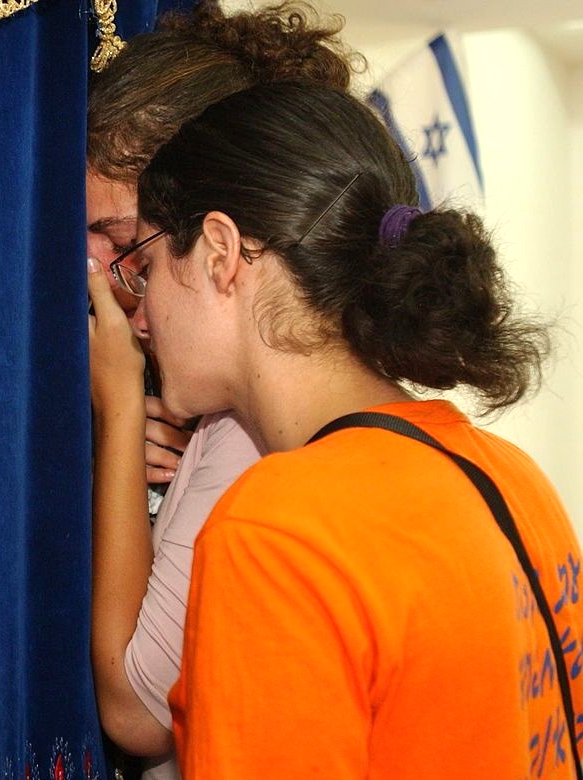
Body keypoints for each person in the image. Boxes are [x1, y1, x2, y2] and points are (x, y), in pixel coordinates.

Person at [89, 80, 583, 777]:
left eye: (146, 265)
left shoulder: (275, 529)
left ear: (220, 254)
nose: (141, 314)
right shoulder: (512, 475)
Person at [84, 4, 357, 777]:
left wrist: (119, 413)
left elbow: (140, 713)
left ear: (215, 242)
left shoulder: (254, 438)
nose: (98, 270)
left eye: (127, 244)